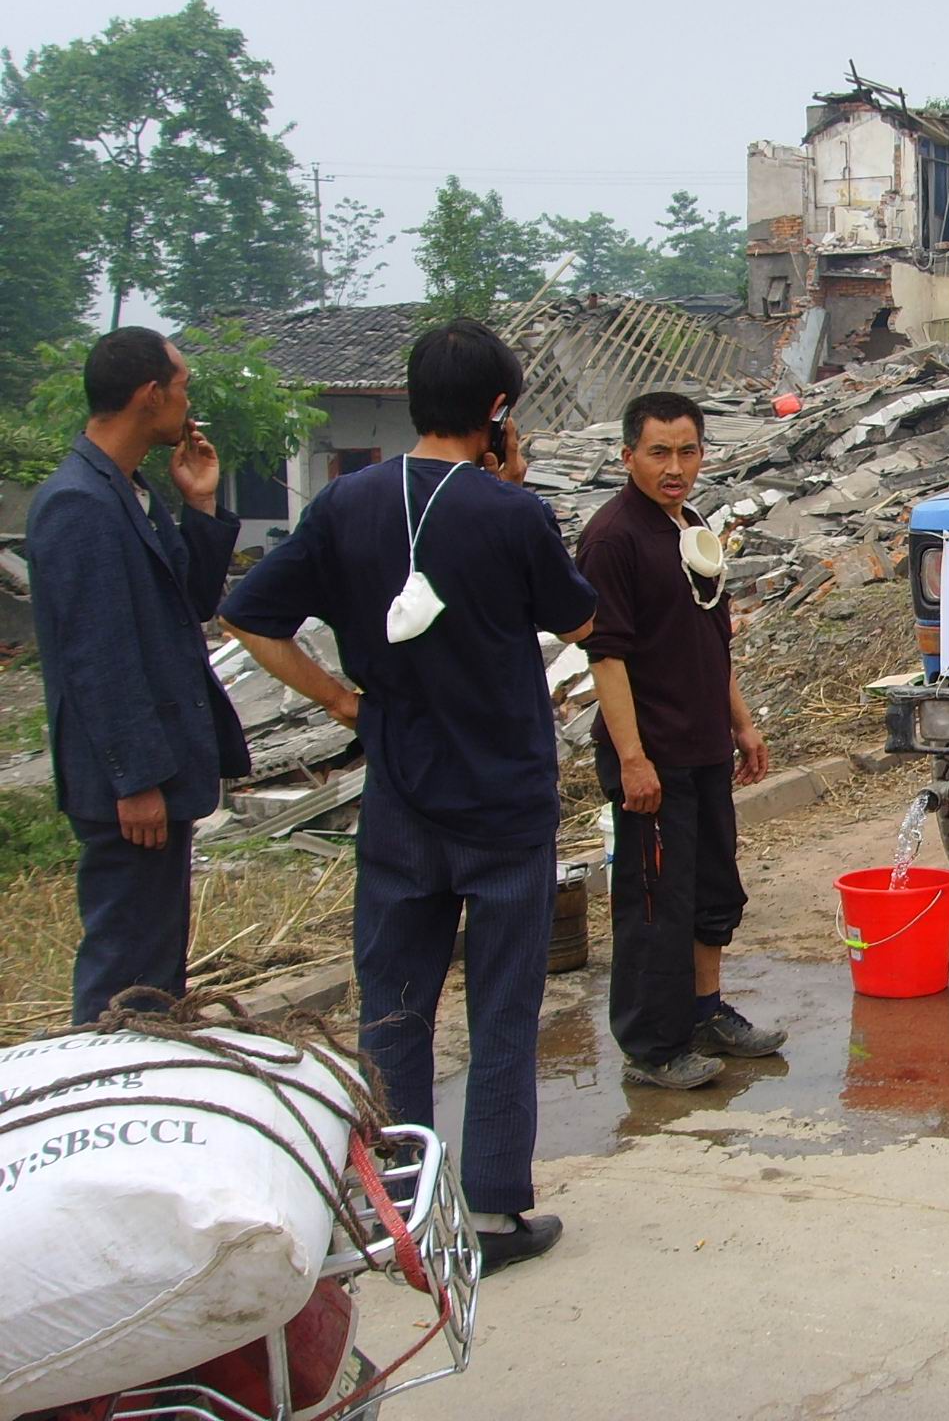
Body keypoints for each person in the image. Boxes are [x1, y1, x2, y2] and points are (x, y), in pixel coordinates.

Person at [219, 319, 597, 1277]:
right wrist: (516, 491)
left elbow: (251, 615)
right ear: (499, 413)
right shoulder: (510, 514)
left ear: (413, 398)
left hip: (399, 796)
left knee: (392, 1008)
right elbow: (582, 616)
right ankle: (498, 1212)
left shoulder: (346, 504)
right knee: (503, 1008)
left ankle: (399, 1211)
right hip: (505, 802)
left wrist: (346, 700)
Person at [26, 328, 251, 1023]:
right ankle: (107, 1084)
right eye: (181, 389)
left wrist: (203, 507)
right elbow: (98, 657)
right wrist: (137, 779)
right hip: (130, 789)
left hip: (154, 778)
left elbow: (190, 604)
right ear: (149, 395)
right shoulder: (78, 504)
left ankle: (148, 1071)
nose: (188, 405)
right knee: (126, 967)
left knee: (154, 960)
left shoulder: (129, 492)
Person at [574, 391, 779, 1091]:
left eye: (687, 451)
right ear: (627, 453)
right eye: (659, 452)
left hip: (702, 747)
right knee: (654, 904)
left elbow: (711, 638)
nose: (675, 466)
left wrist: (741, 723)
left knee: (711, 890)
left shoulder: (690, 526)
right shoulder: (612, 538)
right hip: (650, 755)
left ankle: (703, 1013)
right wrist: (633, 759)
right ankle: (650, 1047)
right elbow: (605, 657)